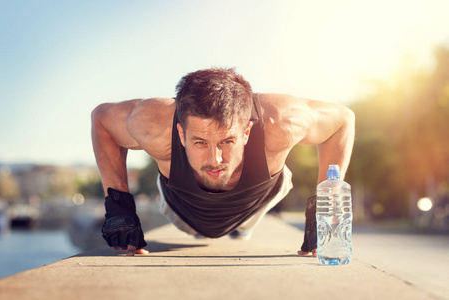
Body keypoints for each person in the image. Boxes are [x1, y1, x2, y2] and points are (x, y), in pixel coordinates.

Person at [91, 67, 355, 256]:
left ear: (247, 131)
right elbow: (102, 118)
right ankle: (223, 227)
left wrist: (325, 207)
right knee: (195, 231)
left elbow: (343, 120)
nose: (214, 160)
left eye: (227, 142)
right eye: (200, 143)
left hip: (256, 205)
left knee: (261, 202)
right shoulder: (154, 124)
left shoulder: (280, 122)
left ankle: (241, 227)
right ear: (181, 133)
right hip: (183, 214)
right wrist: (119, 206)